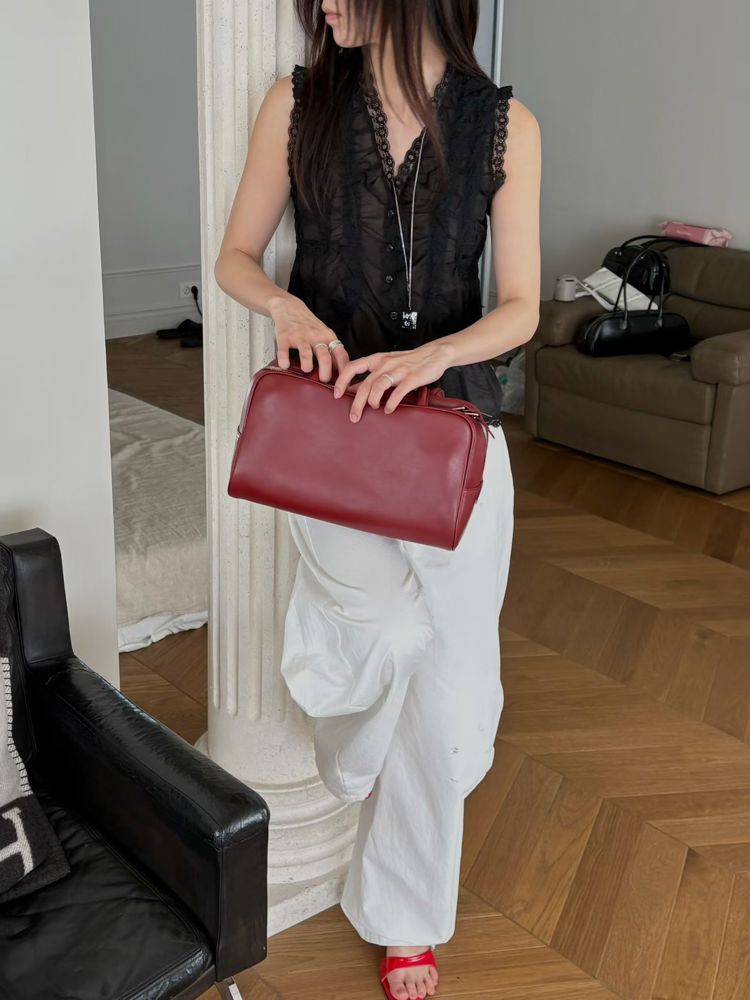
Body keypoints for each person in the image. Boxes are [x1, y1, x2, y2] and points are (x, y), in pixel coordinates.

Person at [214, 1, 541, 996]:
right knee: (391, 637)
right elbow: (233, 258)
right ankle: (350, 766)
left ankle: (405, 919)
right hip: (334, 441)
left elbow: (521, 306)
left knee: (450, 698)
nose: (321, 6)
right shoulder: (297, 104)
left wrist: (436, 353)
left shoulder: (505, 126)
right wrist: (284, 306)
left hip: (454, 440)